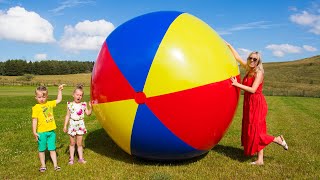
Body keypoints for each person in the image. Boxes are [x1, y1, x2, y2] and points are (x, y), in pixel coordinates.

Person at [226, 42, 288, 165]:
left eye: (255, 59)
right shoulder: (248, 69)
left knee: (257, 131)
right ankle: (260, 160)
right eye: (250, 58)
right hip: (249, 103)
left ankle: (277, 139)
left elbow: (253, 90)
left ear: (258, 62)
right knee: (254, 129)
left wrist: (236, 84)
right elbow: (237, 57)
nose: (252, 60)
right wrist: (227, 44)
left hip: (257, 103)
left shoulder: (259, 73)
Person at [32, 84, 64, 172]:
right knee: (41, 150)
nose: (41, 99)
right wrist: (34, 132)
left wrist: (60, 90)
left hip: (51, 132)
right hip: (41, 133)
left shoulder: (49, 104)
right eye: (39, 97)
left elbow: (59, 100)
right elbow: (34, 120)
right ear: (36, 97)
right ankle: (43, 165)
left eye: (43, 96)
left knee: (52, 149)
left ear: (47, 96)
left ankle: (55, 165)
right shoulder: (36, 108)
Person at [63, 84, 92, 165]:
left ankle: (81, 158)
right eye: (77, 94)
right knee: (72, 143)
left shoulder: (83, 104)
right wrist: (65, 125)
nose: (79, 96)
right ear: (73, 95)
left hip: (80, 125)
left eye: (80, 95)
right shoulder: (69, 104)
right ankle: (71, 158)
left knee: (79, 143)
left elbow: (88, 114)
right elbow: (67, 115)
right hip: (72, 125)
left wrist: (91, 107)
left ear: (82, 96)